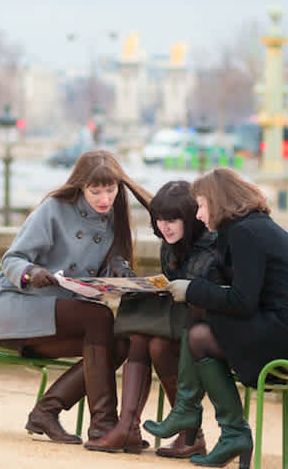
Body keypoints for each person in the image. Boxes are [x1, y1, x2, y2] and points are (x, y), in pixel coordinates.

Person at [146, 168, 288, 468]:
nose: (200, 215)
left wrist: (193, 289)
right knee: (199, 325)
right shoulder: (250, 227)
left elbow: (242, 302)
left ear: (218, 202)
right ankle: (204, 418)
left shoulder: (245, 233)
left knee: (199, 330)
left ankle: (211, 421)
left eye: (202, 206)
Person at [0, 150, 153, 446]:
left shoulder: (114, 218)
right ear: (81, 186)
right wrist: (32, 272)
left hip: (62, 317)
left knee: (120, 344)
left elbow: (105, 263)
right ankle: (104, 425)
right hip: (20, 306)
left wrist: (119, 270)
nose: (104, 198)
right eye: (95, 191)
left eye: (111, 189)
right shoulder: (54, 209)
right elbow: (12, 259)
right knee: (99, 317)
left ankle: (46, 411)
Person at [86, 181, 219, 457]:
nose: (164, 226)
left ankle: (186, 434)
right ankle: (128, 427)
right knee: (143, 337)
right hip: (182, 321)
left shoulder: (209, 246)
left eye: (172, 220)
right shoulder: (169, 246)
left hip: (209, 328)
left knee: (156, 343)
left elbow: (203, 295)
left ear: (191, 217)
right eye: (159, 220)